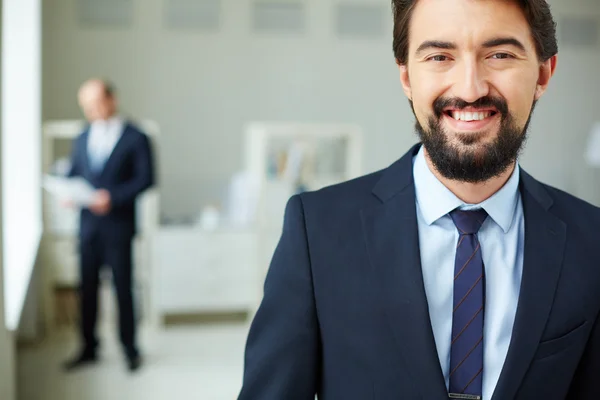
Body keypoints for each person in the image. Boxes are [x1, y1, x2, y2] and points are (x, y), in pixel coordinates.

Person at [238, 0, 600, 399]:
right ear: (407, 76)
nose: (469, 89)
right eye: (440, 56)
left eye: (499, 55)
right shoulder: (316, 232)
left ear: (544, 73)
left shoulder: (592, 242)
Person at [63, 79, 155, 372]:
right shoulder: (82, 135)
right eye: (86, 107)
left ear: (112, 99)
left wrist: (112, 198)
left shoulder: (136, 136)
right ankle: (88, 347)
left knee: (122, 288)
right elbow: (75, 172)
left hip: (118, 226)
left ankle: (130, 349)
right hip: (88, 226)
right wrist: (69, 193)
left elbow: (146, 179)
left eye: (96, 103)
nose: (92, 111)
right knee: (86, 289)